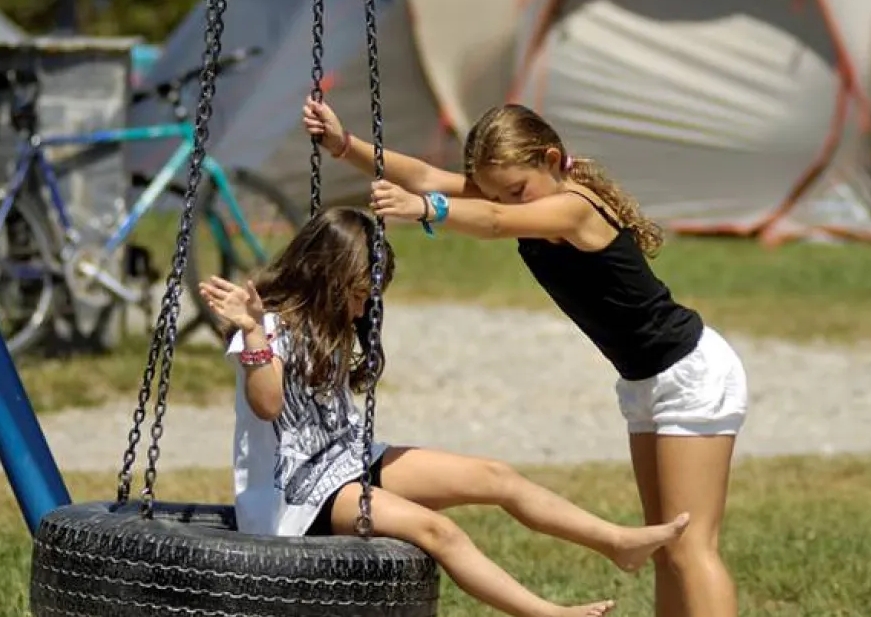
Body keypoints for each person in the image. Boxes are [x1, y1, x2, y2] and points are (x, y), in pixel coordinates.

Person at [301, 99, 748, 617]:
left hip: (690, 373)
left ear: (553, 160)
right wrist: (342, 145)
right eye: (497, 191)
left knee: (692, 547)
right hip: (646, 382)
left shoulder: (574, 207)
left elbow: (489, 220)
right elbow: (425, 173)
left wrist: (428, 209)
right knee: (666, 544)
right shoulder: (523, 200)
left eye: (517, 191)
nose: (506, 201)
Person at [200, 206, 689, 617]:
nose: (362, 309)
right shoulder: (266, 326)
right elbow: (267, 405)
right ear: (325, 278)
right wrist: (255, 336)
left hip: (345, 460)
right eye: (358, 295)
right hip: (295, 494)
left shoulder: (331, 319)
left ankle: (616, 543)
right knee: (437, 531)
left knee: (495, 476)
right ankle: (548, 614)